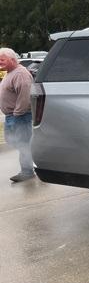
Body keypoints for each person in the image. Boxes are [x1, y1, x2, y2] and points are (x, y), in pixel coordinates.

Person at [0, 47, 35, 182]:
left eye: (2, 60)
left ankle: (27, 171)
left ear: (12, 60)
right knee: (15, 141)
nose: (0, 63)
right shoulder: (10, 72)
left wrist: (17, 113)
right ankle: (31, 166)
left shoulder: (20, 73)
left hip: (21, 116)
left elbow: (25, 95)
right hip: (13, 116)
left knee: (23, 143)